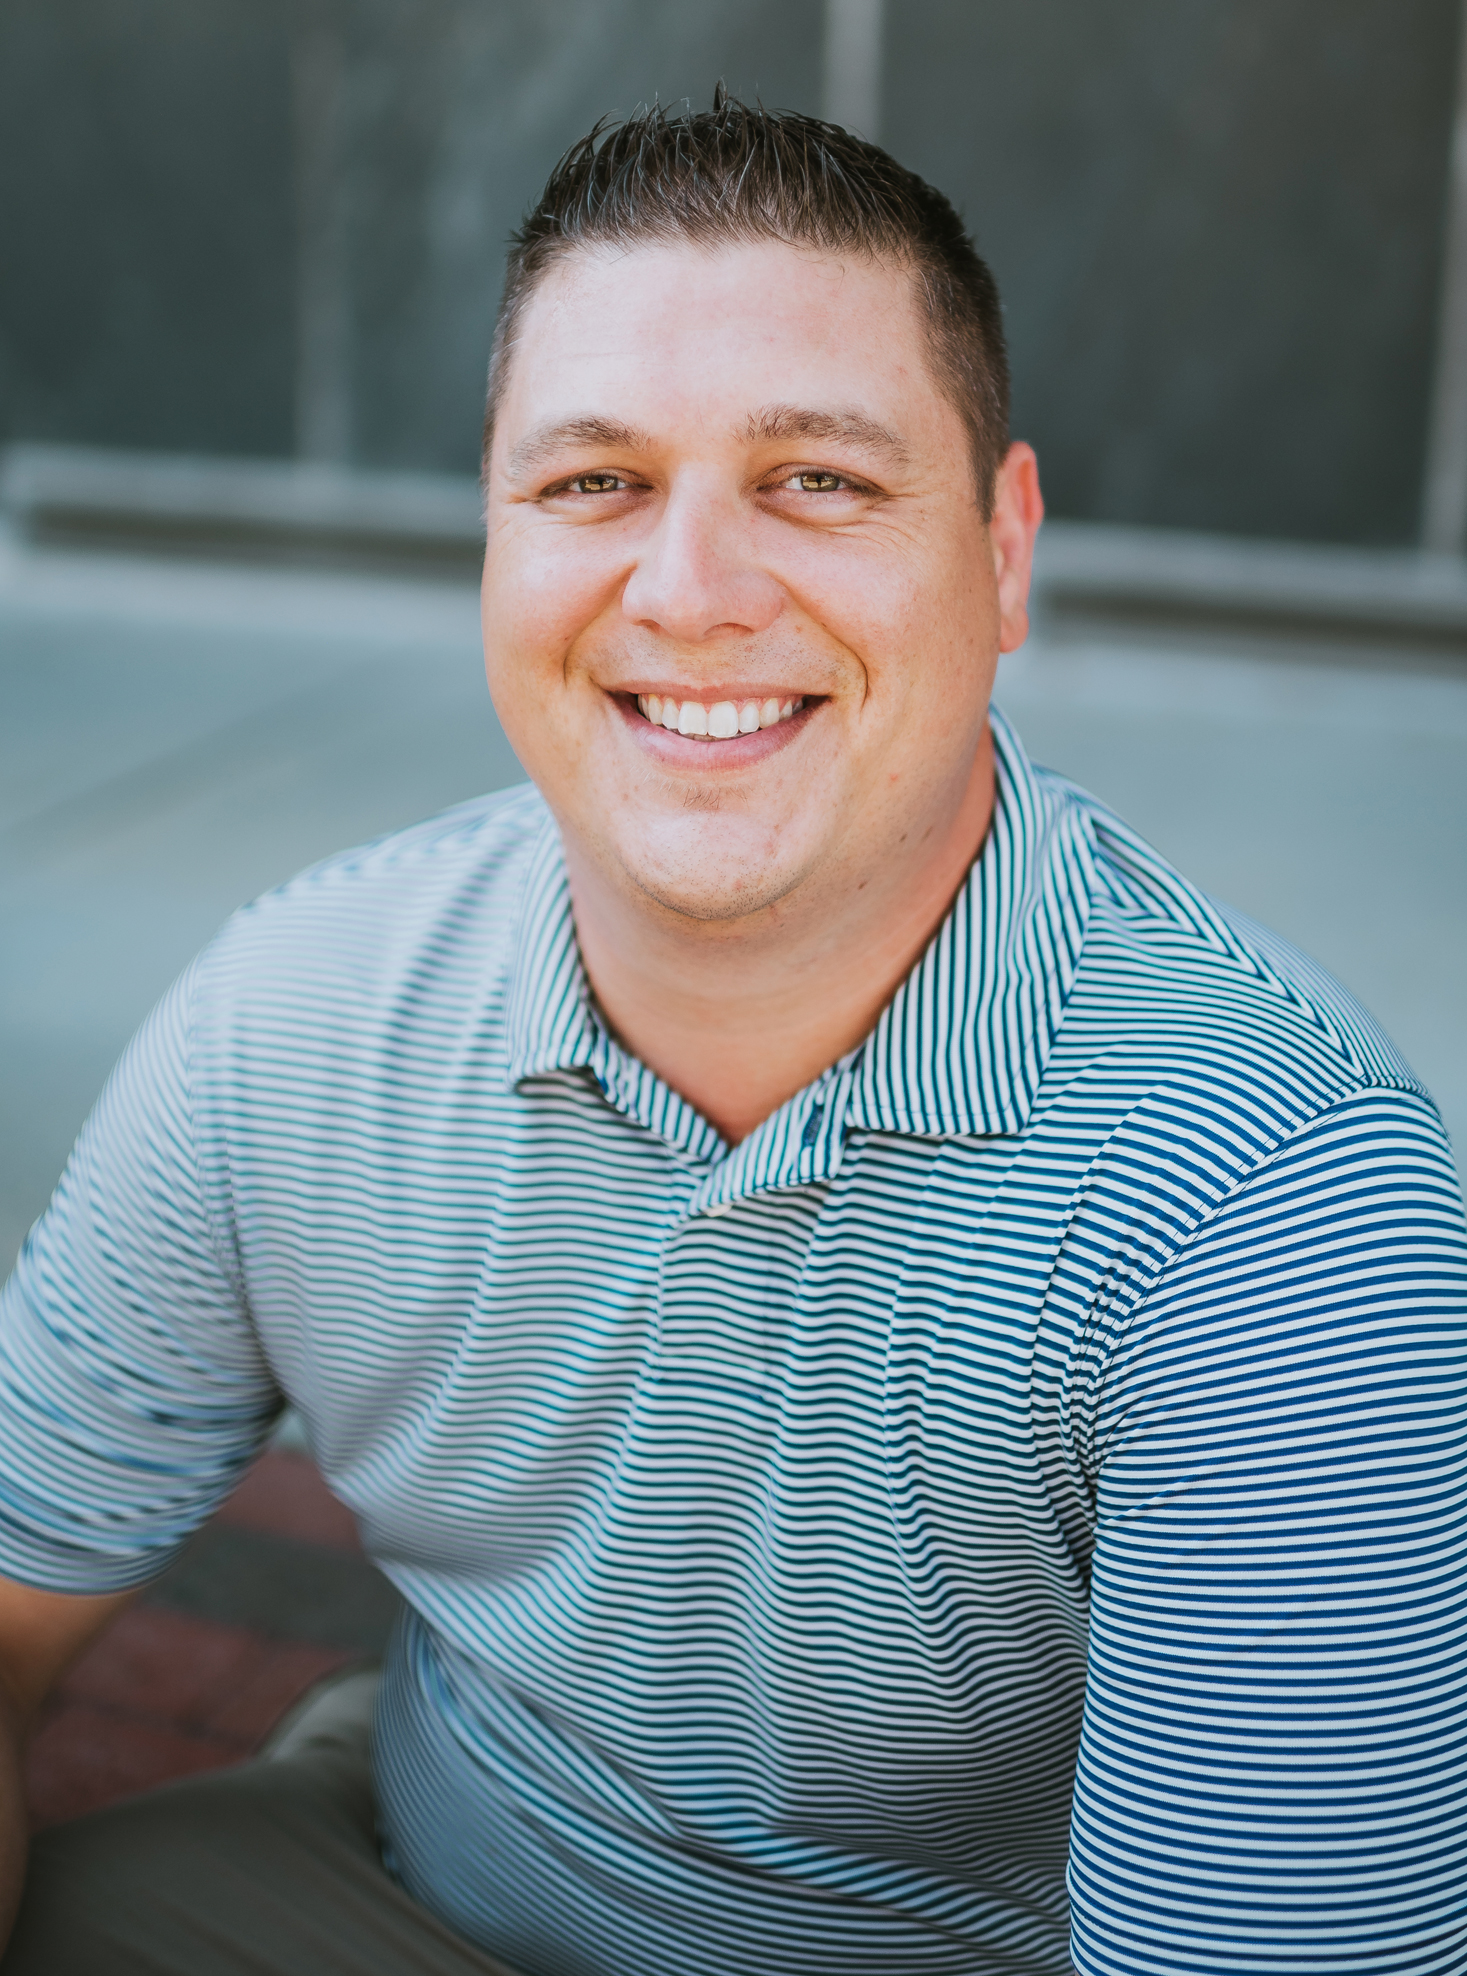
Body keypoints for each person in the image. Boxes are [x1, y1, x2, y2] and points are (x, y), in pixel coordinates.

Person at [1, 92, 1464, 1976]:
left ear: (1004, 553)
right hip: (412, 1878)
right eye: (592, 481)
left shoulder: (1278, 1204)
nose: (686, 593)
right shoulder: (297, 1024)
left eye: (821, 481)